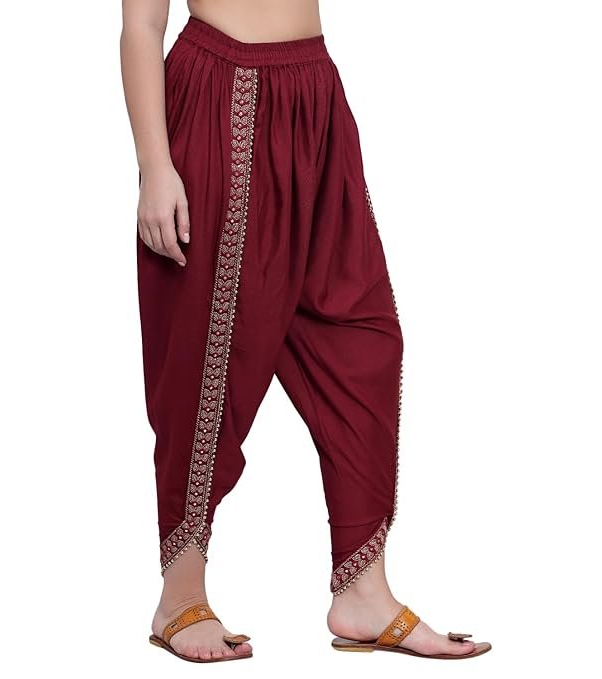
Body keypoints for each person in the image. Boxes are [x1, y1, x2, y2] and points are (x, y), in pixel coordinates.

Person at [120, 0, 491, 664]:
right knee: (208, 351)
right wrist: (155, 166)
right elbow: (142, 25)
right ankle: (179, 594)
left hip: (315, 94)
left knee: (362, 338)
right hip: (219, 88)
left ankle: (363, 592)